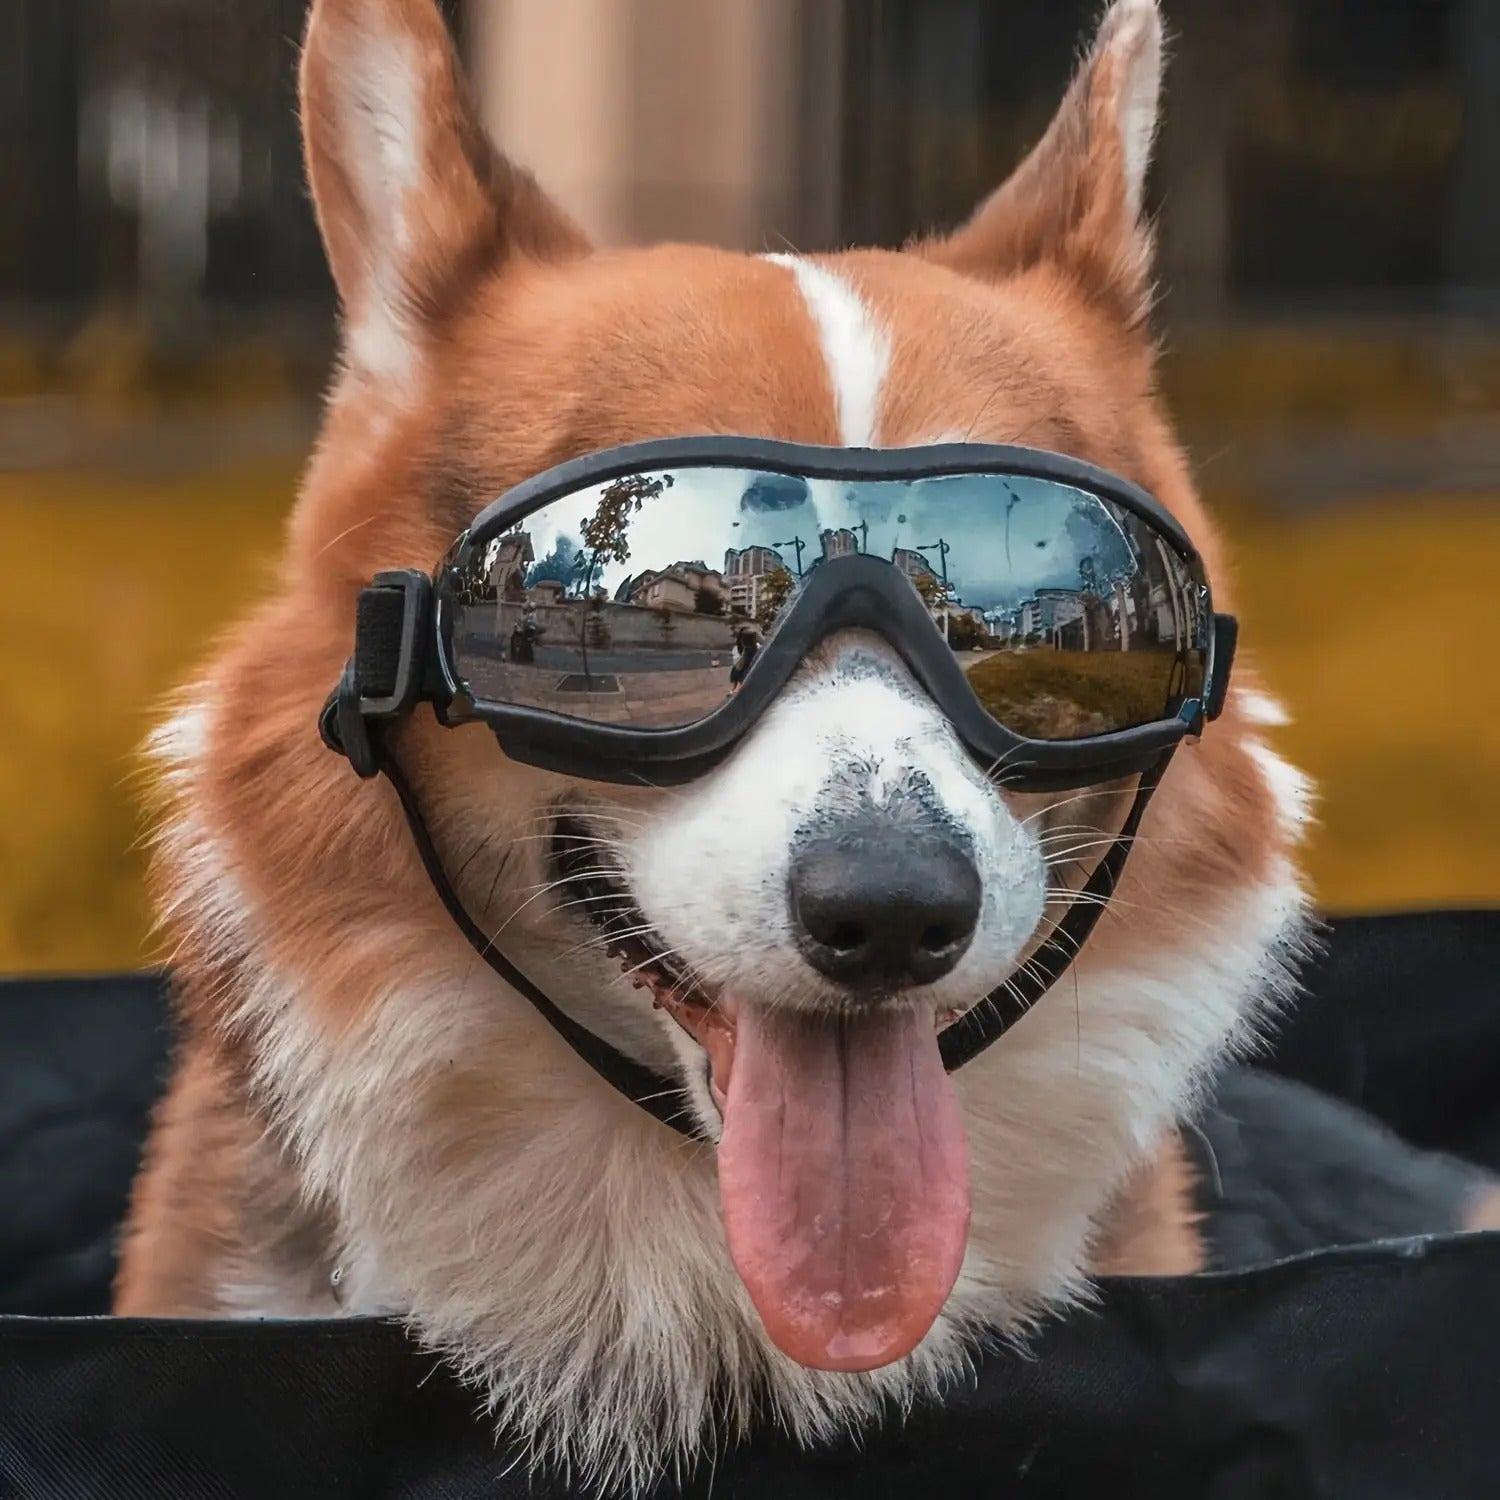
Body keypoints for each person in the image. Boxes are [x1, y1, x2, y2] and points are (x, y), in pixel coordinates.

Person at [728, 625, 761, 694]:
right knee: (738, 669)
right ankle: (736, 687)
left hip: (746, 662)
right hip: (746, 661)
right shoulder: (749, 648)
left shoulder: (749, 648)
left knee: (739, 669)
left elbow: (743, 659)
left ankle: (736, 687)